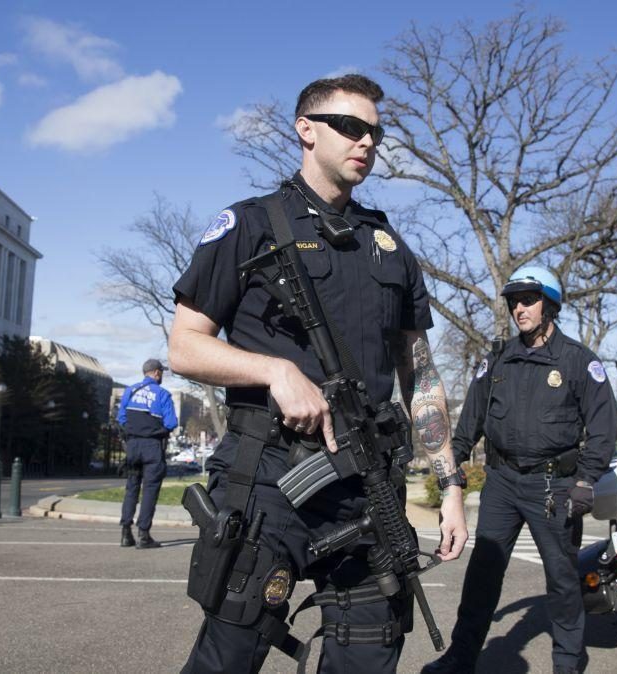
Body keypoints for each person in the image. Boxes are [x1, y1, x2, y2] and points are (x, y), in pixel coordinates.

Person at [169, 74, 467, 673]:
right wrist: (275, 370)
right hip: (270, 477)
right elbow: (185, 347)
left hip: (367, 487)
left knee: (370, 654)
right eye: (351, 127)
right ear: (306, 130)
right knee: (230, 656)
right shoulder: (251, 225)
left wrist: (451, 485)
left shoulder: (389, 246)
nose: (367, 143)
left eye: (375, 133)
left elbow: (420, 372)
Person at [422, 265, 617, 674]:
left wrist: (585, 480)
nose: (518, 308)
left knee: (563, 583)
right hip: (502, 485)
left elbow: (603, 428)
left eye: (528, 300)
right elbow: (467, 428)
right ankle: (460, 659)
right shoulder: (497, 360)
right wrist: (450, 475)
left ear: (549, 305)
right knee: (482, 577)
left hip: (554, 486)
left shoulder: (578, 361)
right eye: (514, 301)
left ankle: (567, 664)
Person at [117, 358, 178, 549]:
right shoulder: (162, 395)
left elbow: (121, 418)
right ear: (157, 373)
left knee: (131, 489)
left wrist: (135, 432)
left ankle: (125, 533)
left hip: (133, 445)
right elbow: (171, 423)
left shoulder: (130, 391)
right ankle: (143, 535)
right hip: (152, 447)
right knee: (150, 490)